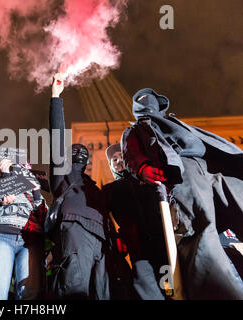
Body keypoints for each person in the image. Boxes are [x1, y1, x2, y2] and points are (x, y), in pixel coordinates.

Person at [121, 88, 243, 299]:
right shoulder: (136, 129)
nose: (148, 104)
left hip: (212, 165)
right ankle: (219, 292)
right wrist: (143, 168)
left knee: (238, 201)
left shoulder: (173, 122)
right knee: (200, 223)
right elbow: (131, 154)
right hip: (183, 169)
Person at [47, 73, 109, 300]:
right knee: (75, 289)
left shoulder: (93, 186)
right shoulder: (61, 175)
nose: (80, 151)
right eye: (74, 150)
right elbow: (56, 136)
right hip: (76, 230)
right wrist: (55, 97)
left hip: (101, 240)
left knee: (100, 293)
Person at [102, 143, 168, 300]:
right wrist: (117, 237)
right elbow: (103, 217)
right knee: (145, 285)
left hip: (162, 243)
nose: (118, 161)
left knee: (169, 285)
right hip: (137, 246)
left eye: (121, 157)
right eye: (114, 160)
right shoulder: (109, 190)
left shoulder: (148, 181)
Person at [0, 159, 47, 300]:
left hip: (30, 241)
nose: (21, 169)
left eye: (24, 166)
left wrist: (36, 193)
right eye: (17, 166)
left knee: (28, 292)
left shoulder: (36, 194)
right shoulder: (0, 182)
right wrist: (4, 181)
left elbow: (46, 219)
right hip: (1, 235)